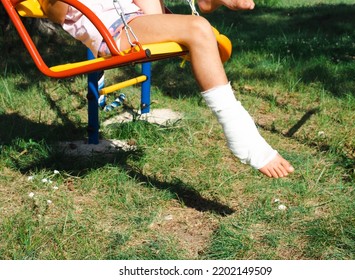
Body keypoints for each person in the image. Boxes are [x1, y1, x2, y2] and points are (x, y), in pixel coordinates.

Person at [39, 0, 294, 178]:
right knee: (199, 29)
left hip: (139, 16)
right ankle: (244, 138)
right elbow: (56, 11)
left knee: (199, 30)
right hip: (113, 31)